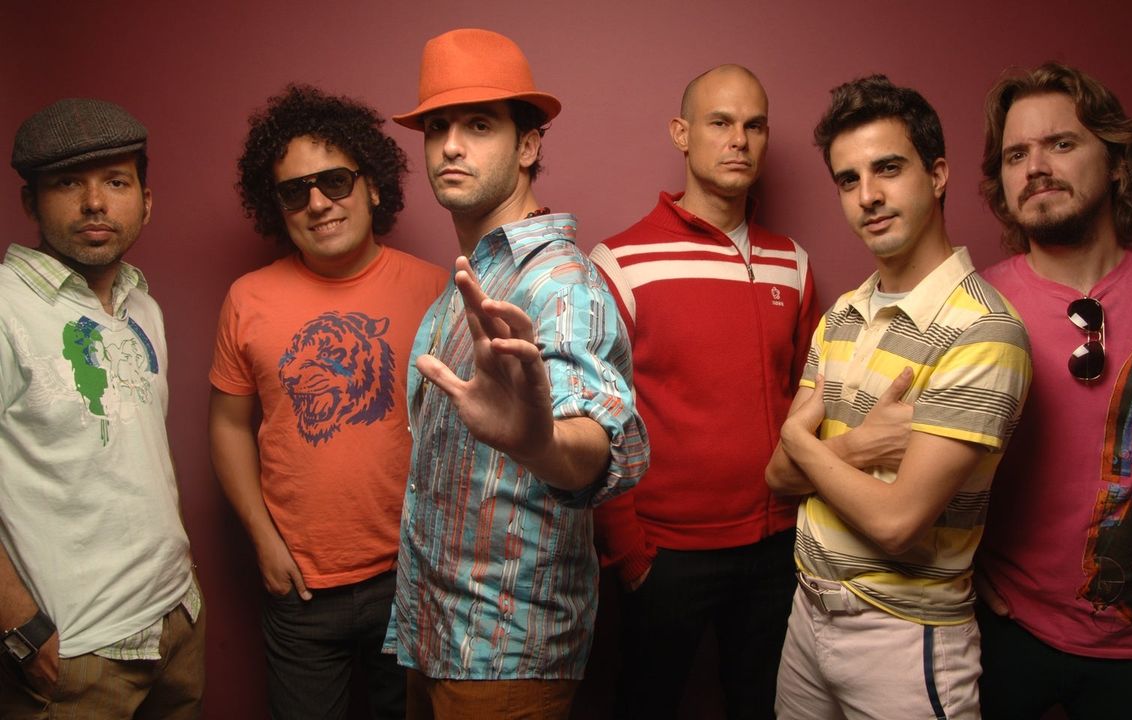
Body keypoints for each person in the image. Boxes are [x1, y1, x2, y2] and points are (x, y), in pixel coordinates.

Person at [387, 28, 648, 719]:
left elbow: (593, 439)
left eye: (478, 125)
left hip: (504, 653)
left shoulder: (558, 282)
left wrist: (543, 444)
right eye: (437, 127)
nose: (450, 146)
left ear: (528, 145)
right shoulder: (472, 279)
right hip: (434, 633)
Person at [767, 75, 1031, 720]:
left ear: (937, 175)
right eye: (848, 180)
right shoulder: (842, 314)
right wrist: (857, 446)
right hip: (806, 615)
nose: (869, 196)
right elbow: (776, 476)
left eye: (888, 168)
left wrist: (801, 438)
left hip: (904, 638)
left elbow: (896, 523)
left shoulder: (983, 329)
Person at [587, 64, 818, 719]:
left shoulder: (793, 262)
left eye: (754, 126)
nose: (739, 140)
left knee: (765, 706)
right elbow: (599, 418)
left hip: (777, 548)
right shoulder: (620, 262)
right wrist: (628, 550)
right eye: (720, 123)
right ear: (682, 133)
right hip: (666, 555)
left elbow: (813, 400)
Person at [209, 85, 446, 720]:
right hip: (300, 588)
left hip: (413, 576)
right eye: (295, 191)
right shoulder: (247, 299)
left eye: (335, 181)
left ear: (373, 187)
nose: (317, 203)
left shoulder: (436, 290)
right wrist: (262, 537)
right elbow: (228, 425)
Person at [974, 61, 1132, 720]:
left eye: (1061, 143)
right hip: (1006, 635)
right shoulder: (971, 305)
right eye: (1016, 155)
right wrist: (956, 563)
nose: (1036, 167)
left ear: (1118, 162)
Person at [0, 98, 203, 719]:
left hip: (177, 621)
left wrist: (183, 592)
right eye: (68, 183)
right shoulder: (6, 310)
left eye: (116, 182)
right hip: (76, 650)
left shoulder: (142, 305)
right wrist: (22, 630)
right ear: (31, 202)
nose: (95, 203)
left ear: (146, 201)